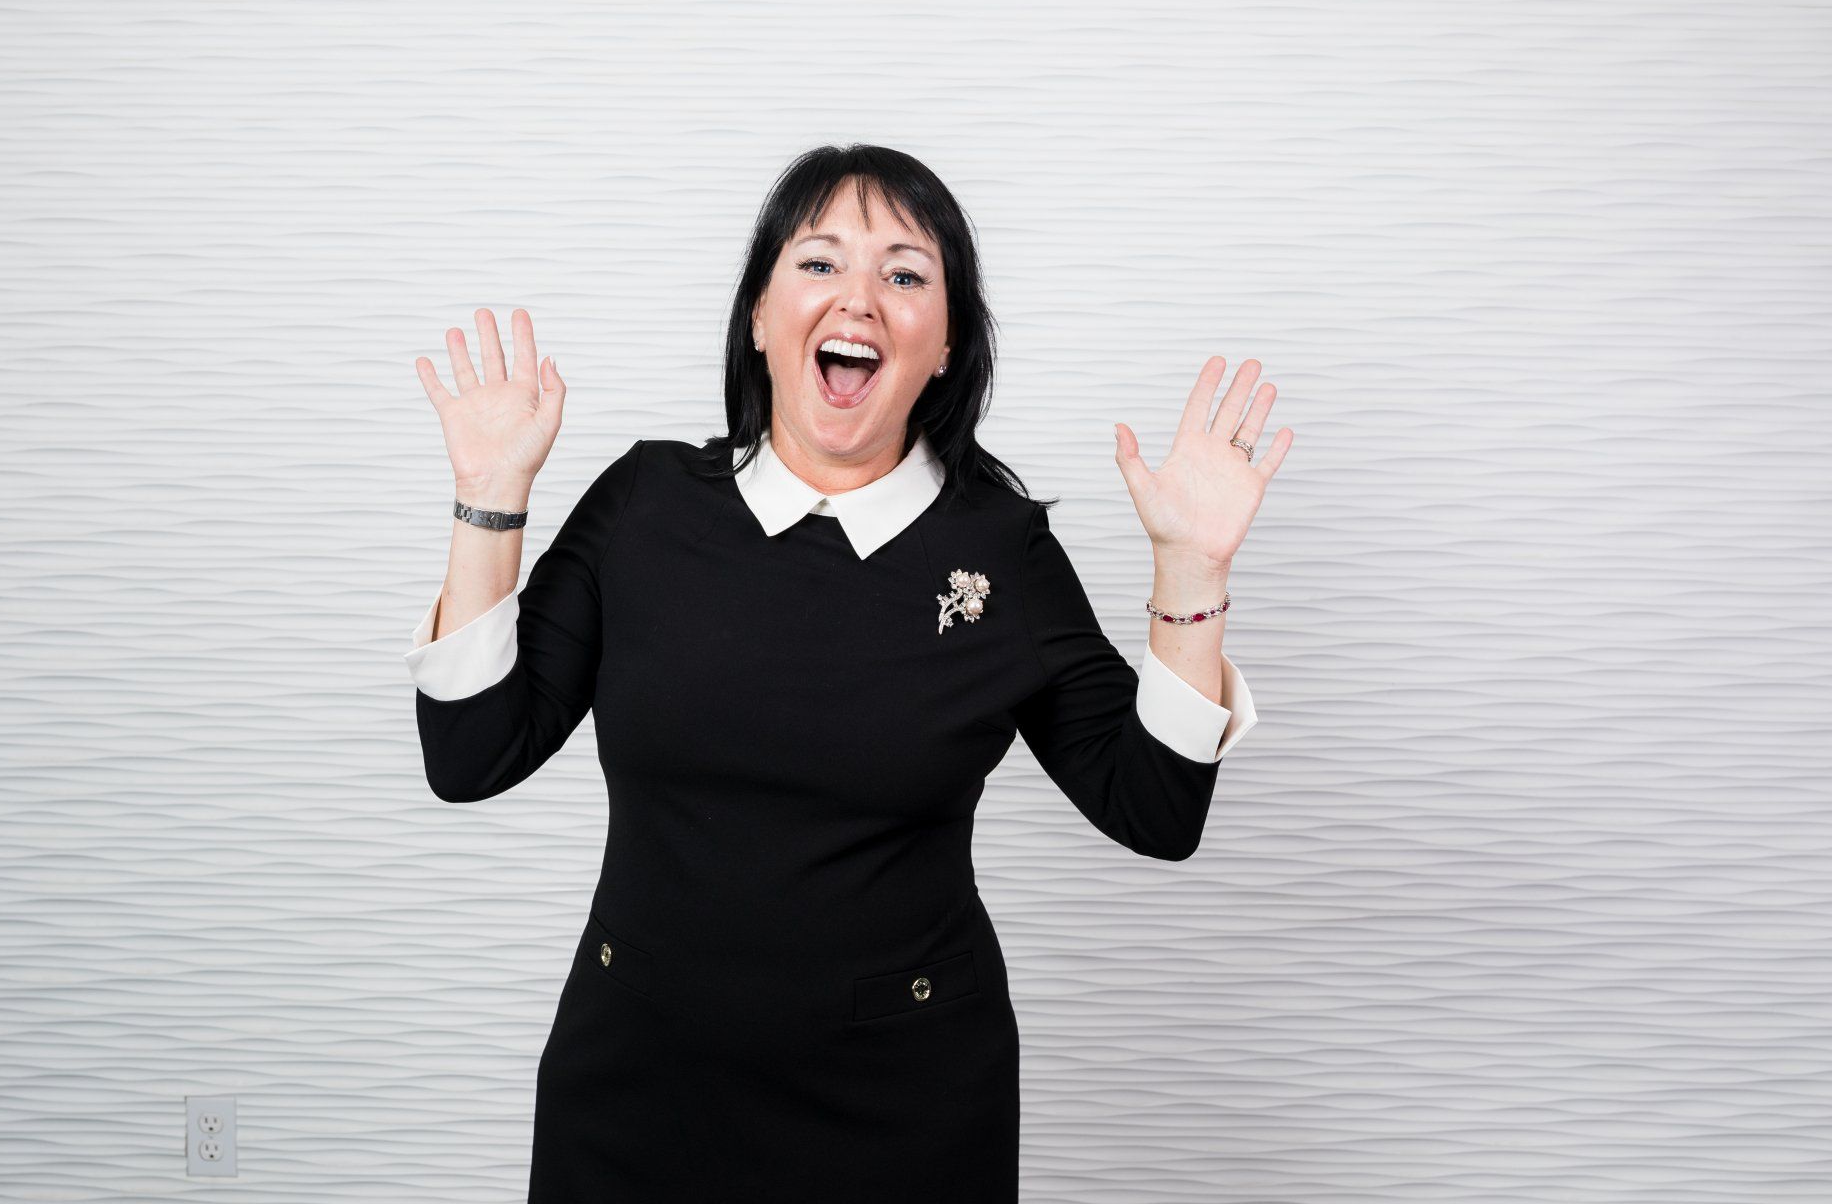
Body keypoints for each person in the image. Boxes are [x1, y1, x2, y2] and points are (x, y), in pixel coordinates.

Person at [403, 145, 1293, 1201]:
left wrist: (1192, 571)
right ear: (761, 317)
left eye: (906, 274)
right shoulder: (645, 506)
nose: (859, 298)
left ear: (947, 344)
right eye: (819, 264)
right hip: (633, 1093)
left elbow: (1155, 807)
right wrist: (491, 499)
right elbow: (470, 753)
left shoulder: (999, 552)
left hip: (904, 1109)